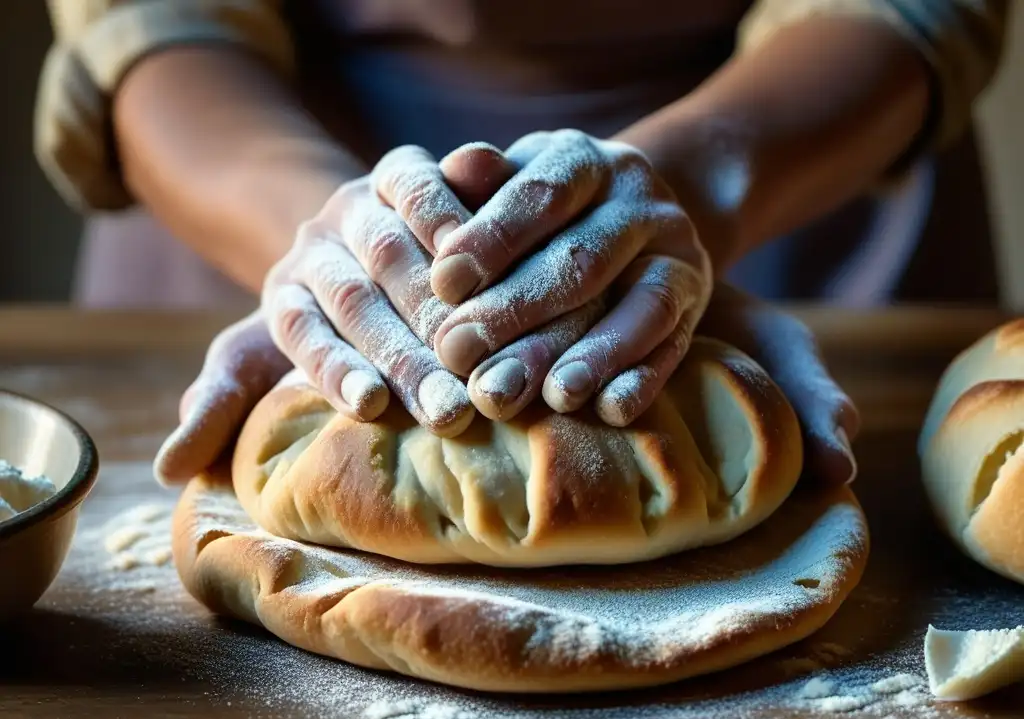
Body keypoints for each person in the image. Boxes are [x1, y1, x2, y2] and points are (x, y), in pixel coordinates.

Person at [36, 1, 1008, 489]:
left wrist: (696, 184)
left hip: (795, 159)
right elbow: (148, 19)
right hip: (256, 181)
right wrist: (344, 239)